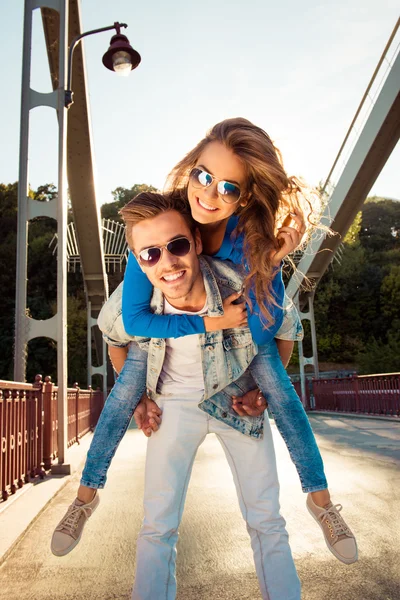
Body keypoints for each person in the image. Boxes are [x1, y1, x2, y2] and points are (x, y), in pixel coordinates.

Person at [51, 118, 357, 567]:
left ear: (247, 196)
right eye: (203, 175)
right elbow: (126, 323)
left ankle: (322, 502)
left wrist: (272, 261)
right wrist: (142, 392)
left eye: (229, 188)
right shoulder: (161, 228)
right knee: (121, 396)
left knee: (284, 397)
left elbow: (273, 325)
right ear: (191, 167)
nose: (208, 195)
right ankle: (85, 496)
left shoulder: (248, 240)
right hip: (167, 332)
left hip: (240, 341)